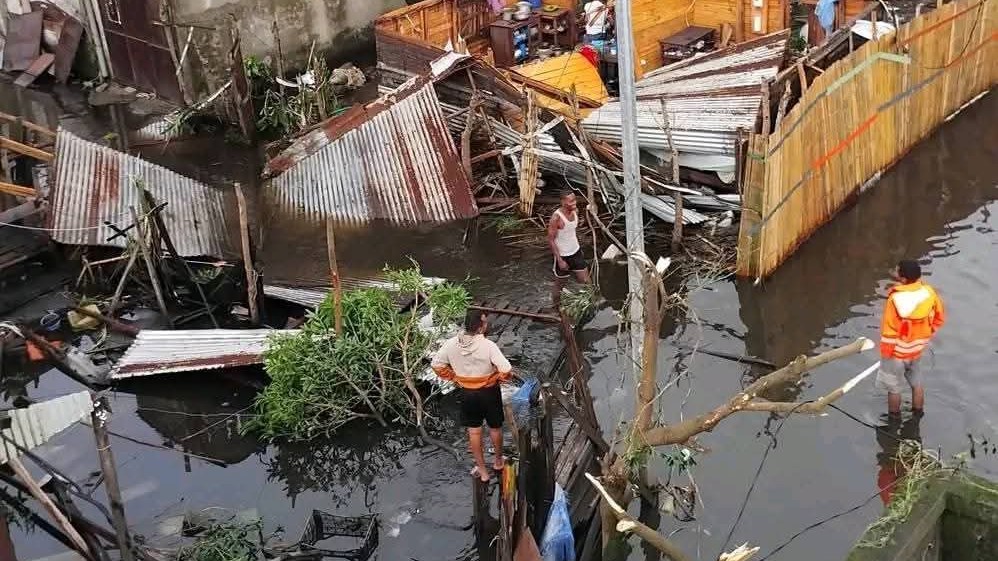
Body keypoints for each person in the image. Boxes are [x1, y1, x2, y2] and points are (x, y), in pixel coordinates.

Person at [432, 310, 514, 482]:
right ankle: (498, 462)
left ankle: (483, 472)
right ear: (480, 326)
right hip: (489, 392)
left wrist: (454, 377)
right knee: (495, 427)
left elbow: (437, 365)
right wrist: (498, 378)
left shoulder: (451, 344)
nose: (487, 324)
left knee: (474, 432)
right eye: (485, 322)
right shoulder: (489, 346)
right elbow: (506, 369)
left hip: (467, 393)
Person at [876, 260, 945, 415]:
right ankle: (917, 413)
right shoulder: (929, 293)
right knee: (917, 384)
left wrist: (887, 353)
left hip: (897, 353)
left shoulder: (895, 299)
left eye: (897, 270)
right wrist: (924, 335)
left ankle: (893, 420)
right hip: (917, 349)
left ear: (903, 279)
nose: (894, 271)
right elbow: (939, 318)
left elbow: (889, 329)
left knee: (893, 388)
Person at [548, 190, 591, 307]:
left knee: (587, 282)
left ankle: (588, 304)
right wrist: (560, 260)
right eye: (571, 201)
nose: (574, 203)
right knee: (559, 285)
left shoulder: (575, 211)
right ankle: (555, 306)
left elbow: (571, 231)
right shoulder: (556, 218)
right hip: (563, 256)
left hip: (576, 252)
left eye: (574, 200)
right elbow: (551, 240)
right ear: (563, 202)